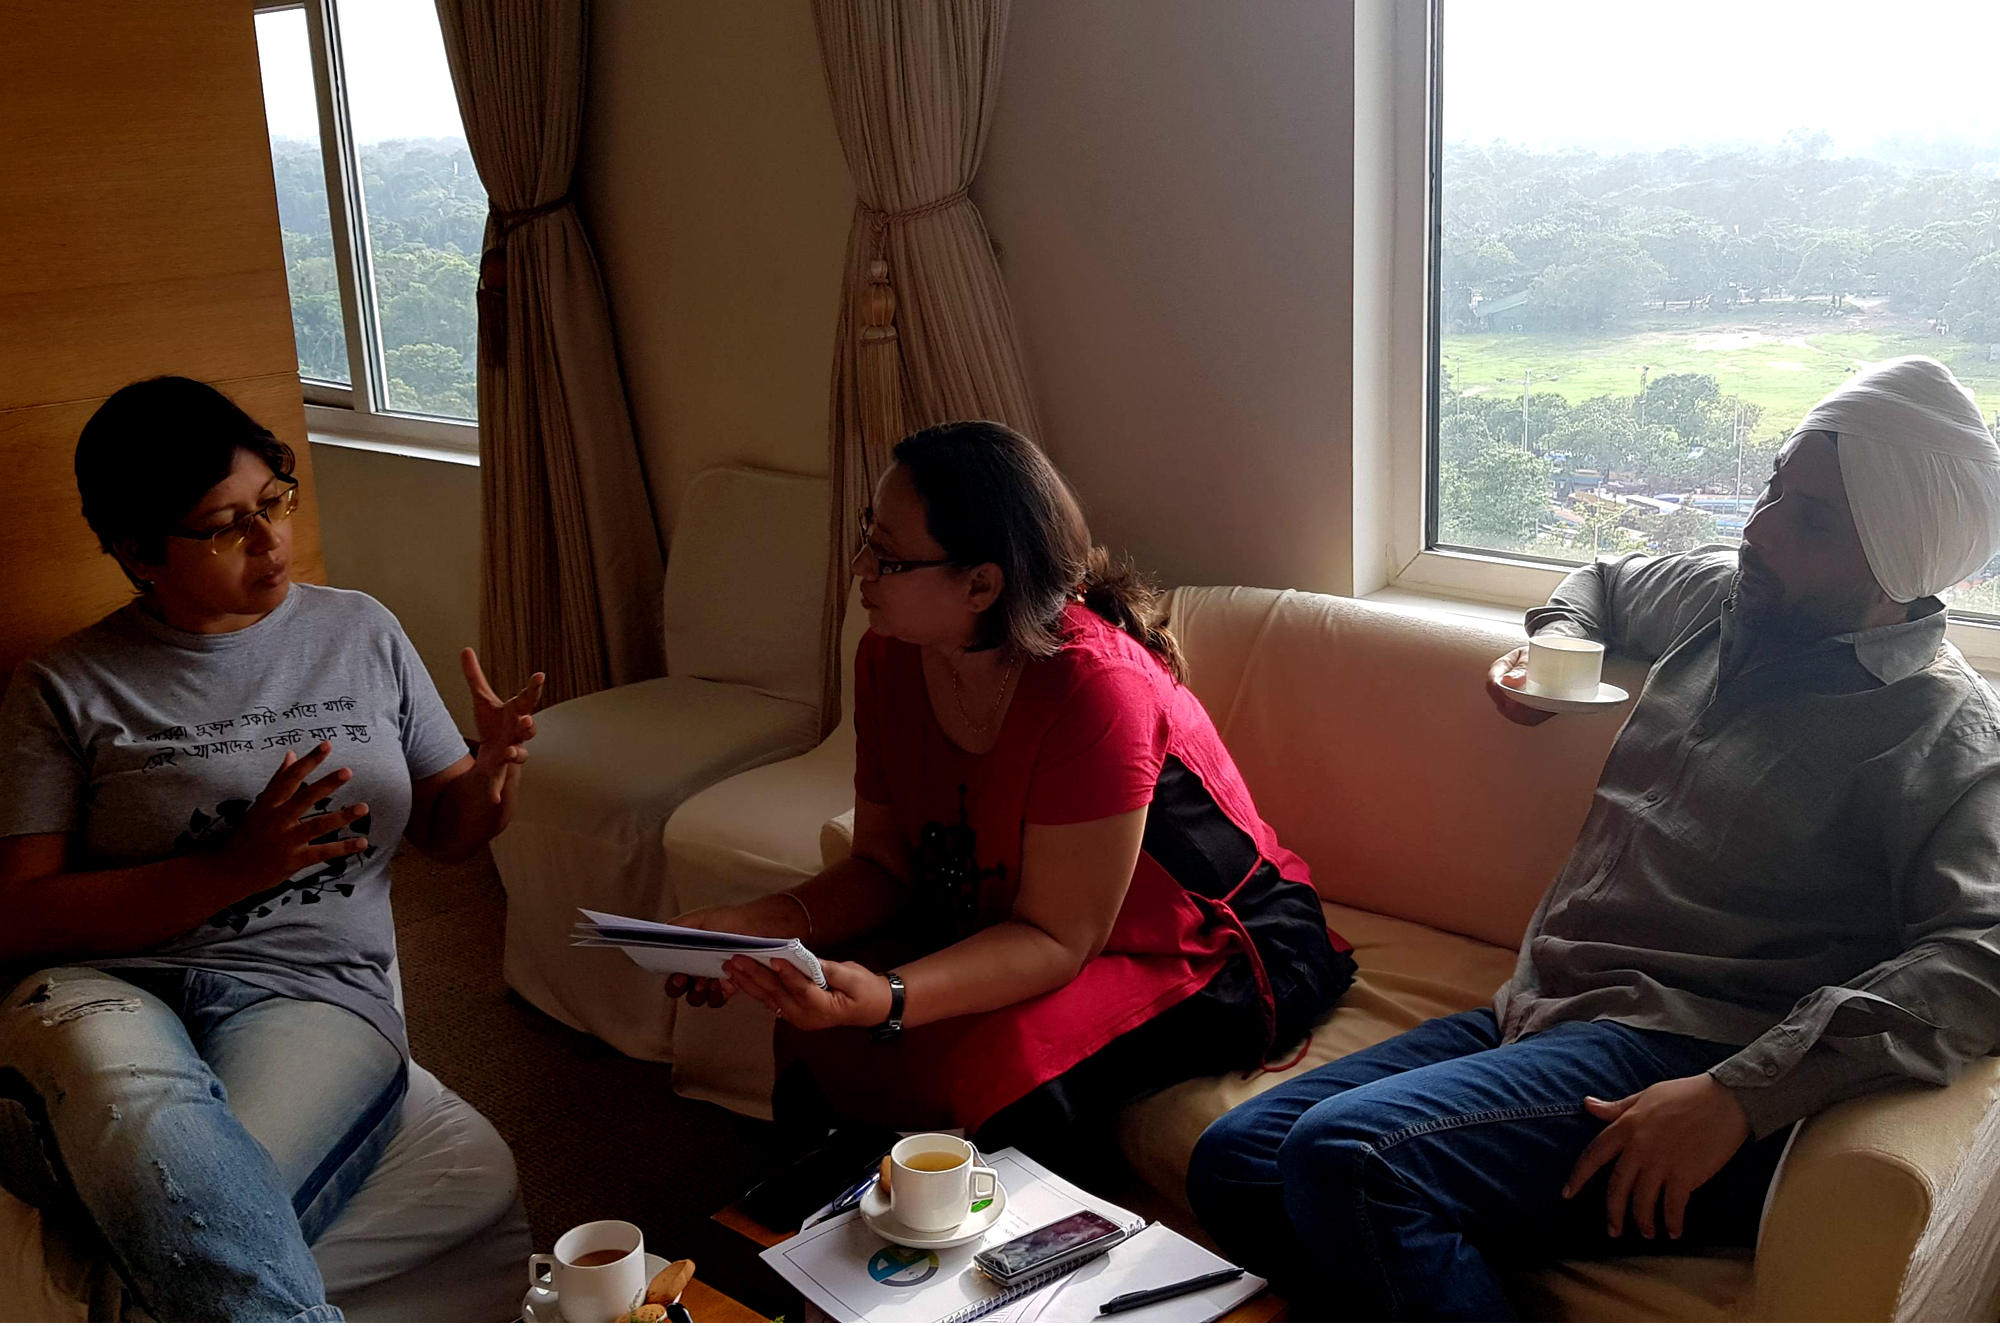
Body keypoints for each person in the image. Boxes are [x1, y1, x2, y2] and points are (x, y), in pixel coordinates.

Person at [1185, 356, 2000, 1318]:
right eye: (1775, 488)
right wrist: (1554, 646)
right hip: (1547, 1006)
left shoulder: (1944, 734)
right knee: (1235, 1161)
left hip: (1691, 1058)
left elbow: (1980, 959)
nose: (1761, 527)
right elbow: (1604, 580)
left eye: (1812, 520)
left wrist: (1739, 1095)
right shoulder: (1723, 602)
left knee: (1349, 1159)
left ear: (1898, 567)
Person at [666, 420, 1355, 1167]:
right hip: (1030, 925)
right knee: (815, 1024)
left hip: (1218, 946)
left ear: (981, 584)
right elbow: (884, 868)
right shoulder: (888, 658)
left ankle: (1000, 1242)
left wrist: (891, 997)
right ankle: (815, 1223)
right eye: (867, 535)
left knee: (1002, 1066)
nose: (860, 566)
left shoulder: (1095, 690)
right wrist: (755, 925)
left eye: (887, 556)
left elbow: (1057, 939)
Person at [0, 377, 544, 1322]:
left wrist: (492, 777)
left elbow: (448, 833)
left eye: (274, 503)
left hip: (314, 993)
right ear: (137, 550)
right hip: (105, 986)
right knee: (146, 1110)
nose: (269, 541)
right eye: (224, 527)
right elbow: (18, 916)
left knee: (195, 1215)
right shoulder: (64, 685)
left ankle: (49, 1142)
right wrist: (230, 871)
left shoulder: (360, 630)